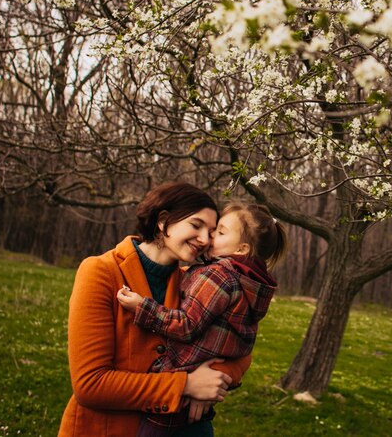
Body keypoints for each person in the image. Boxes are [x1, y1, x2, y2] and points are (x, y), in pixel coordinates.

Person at [58, 182, 252, 437]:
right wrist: (187, 385)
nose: (205, 239)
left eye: (212, 232)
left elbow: (240, 349)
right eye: (196, 225)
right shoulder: (100, 272)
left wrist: (214, 380)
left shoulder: (196, 282)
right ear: (163, 221)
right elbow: (90, 384)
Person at [117, 201, 288, 437]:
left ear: (241, 249)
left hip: (174, 385)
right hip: (197, 400)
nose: (208, 238)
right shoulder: (252, 286)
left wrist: (142, 308)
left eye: (219, 232)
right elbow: (242, 344)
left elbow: (186, 325)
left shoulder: (219, 276)